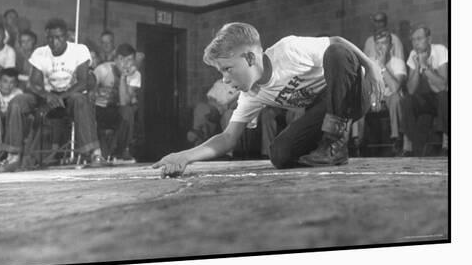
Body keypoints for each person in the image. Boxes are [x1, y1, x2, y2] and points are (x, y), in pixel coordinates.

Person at [153, 22, 383, 177]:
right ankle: (327, 147)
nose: (224, 79)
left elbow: (336, 41)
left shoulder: (289, 49)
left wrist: (370, 65)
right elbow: (227, 138)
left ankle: (335, 143)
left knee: (336, 53)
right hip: (324, 110)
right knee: (280, 154)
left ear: (251, 58)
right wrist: (184, 156)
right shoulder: (251, 94)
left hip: (353, 93)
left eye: (227, 69)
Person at [0, 18, 106, 172]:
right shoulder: (40, 53)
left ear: (66, 36)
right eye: (50, 38)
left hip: (70, 96)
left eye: (58, 37)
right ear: (46, 37)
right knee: (17, 102)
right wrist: (48, 96)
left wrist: (61, 97)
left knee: (80, 99)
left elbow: (83, 82)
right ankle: (13, 157)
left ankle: (95, 153)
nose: (54, 42)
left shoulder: (79, 50)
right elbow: (33, 83)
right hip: (46, 97)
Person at [361, 29, 410, 155]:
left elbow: (394, 88)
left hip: (390, 98)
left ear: (391, 46)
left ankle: (396, 139)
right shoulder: (368, 62)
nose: (380, 47)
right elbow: (365, 86)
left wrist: (382, 66)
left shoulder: (397, 62)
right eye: (377, 43)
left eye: (384, 43)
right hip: (374, 97)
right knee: (358, 99)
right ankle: (357, 142)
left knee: (395, 98)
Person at [403, 24, 448, 155]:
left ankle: (447, 142)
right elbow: (411, 90)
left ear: (429, 39)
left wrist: (425, 67)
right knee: (407, 100)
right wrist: (417, 67)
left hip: (439, 98)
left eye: (419, 38)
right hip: (424, 99)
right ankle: (408, 145)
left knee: (444, 96)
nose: (416, 43)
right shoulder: (412, 54)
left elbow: (443, 86)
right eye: (413, 40)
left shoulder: (440, 50)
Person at [93, 43, 139, 163]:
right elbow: (89, 92)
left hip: (116, 109)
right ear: (116, 59)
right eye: (121, 59)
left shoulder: (135, 75)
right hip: (98, 107)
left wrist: (123, 77)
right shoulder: (103, 70)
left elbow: (124, 101)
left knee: (128, 111)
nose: (125, 64)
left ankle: (120, 151)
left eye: (129, 60)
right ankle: (99, 152)